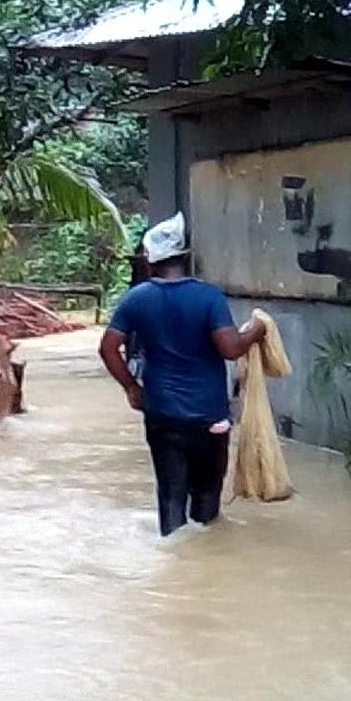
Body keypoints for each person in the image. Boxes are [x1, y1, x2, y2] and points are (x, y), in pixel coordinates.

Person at [98, 212, 264, 536]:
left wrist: (132, 387)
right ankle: (206, 569)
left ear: (149, 260)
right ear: (185, 257)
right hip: (209, 417)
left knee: (171, 497)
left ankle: (176, 567)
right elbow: (230, 348)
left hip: (161, 415)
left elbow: (107, 348)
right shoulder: (208, 297)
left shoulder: (137, 298)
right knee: (206, 499)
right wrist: (256, 331)